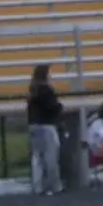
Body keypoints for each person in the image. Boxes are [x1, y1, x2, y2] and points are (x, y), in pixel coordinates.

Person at [27, 65, 64, 195]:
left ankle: (38, 186)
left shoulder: (33, 90)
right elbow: (52, 107)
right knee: (50, 157)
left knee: (37, 157)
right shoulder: (46, 90)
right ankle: (54, 185)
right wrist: (59, 106)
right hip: (47, 125)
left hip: (34, 125)